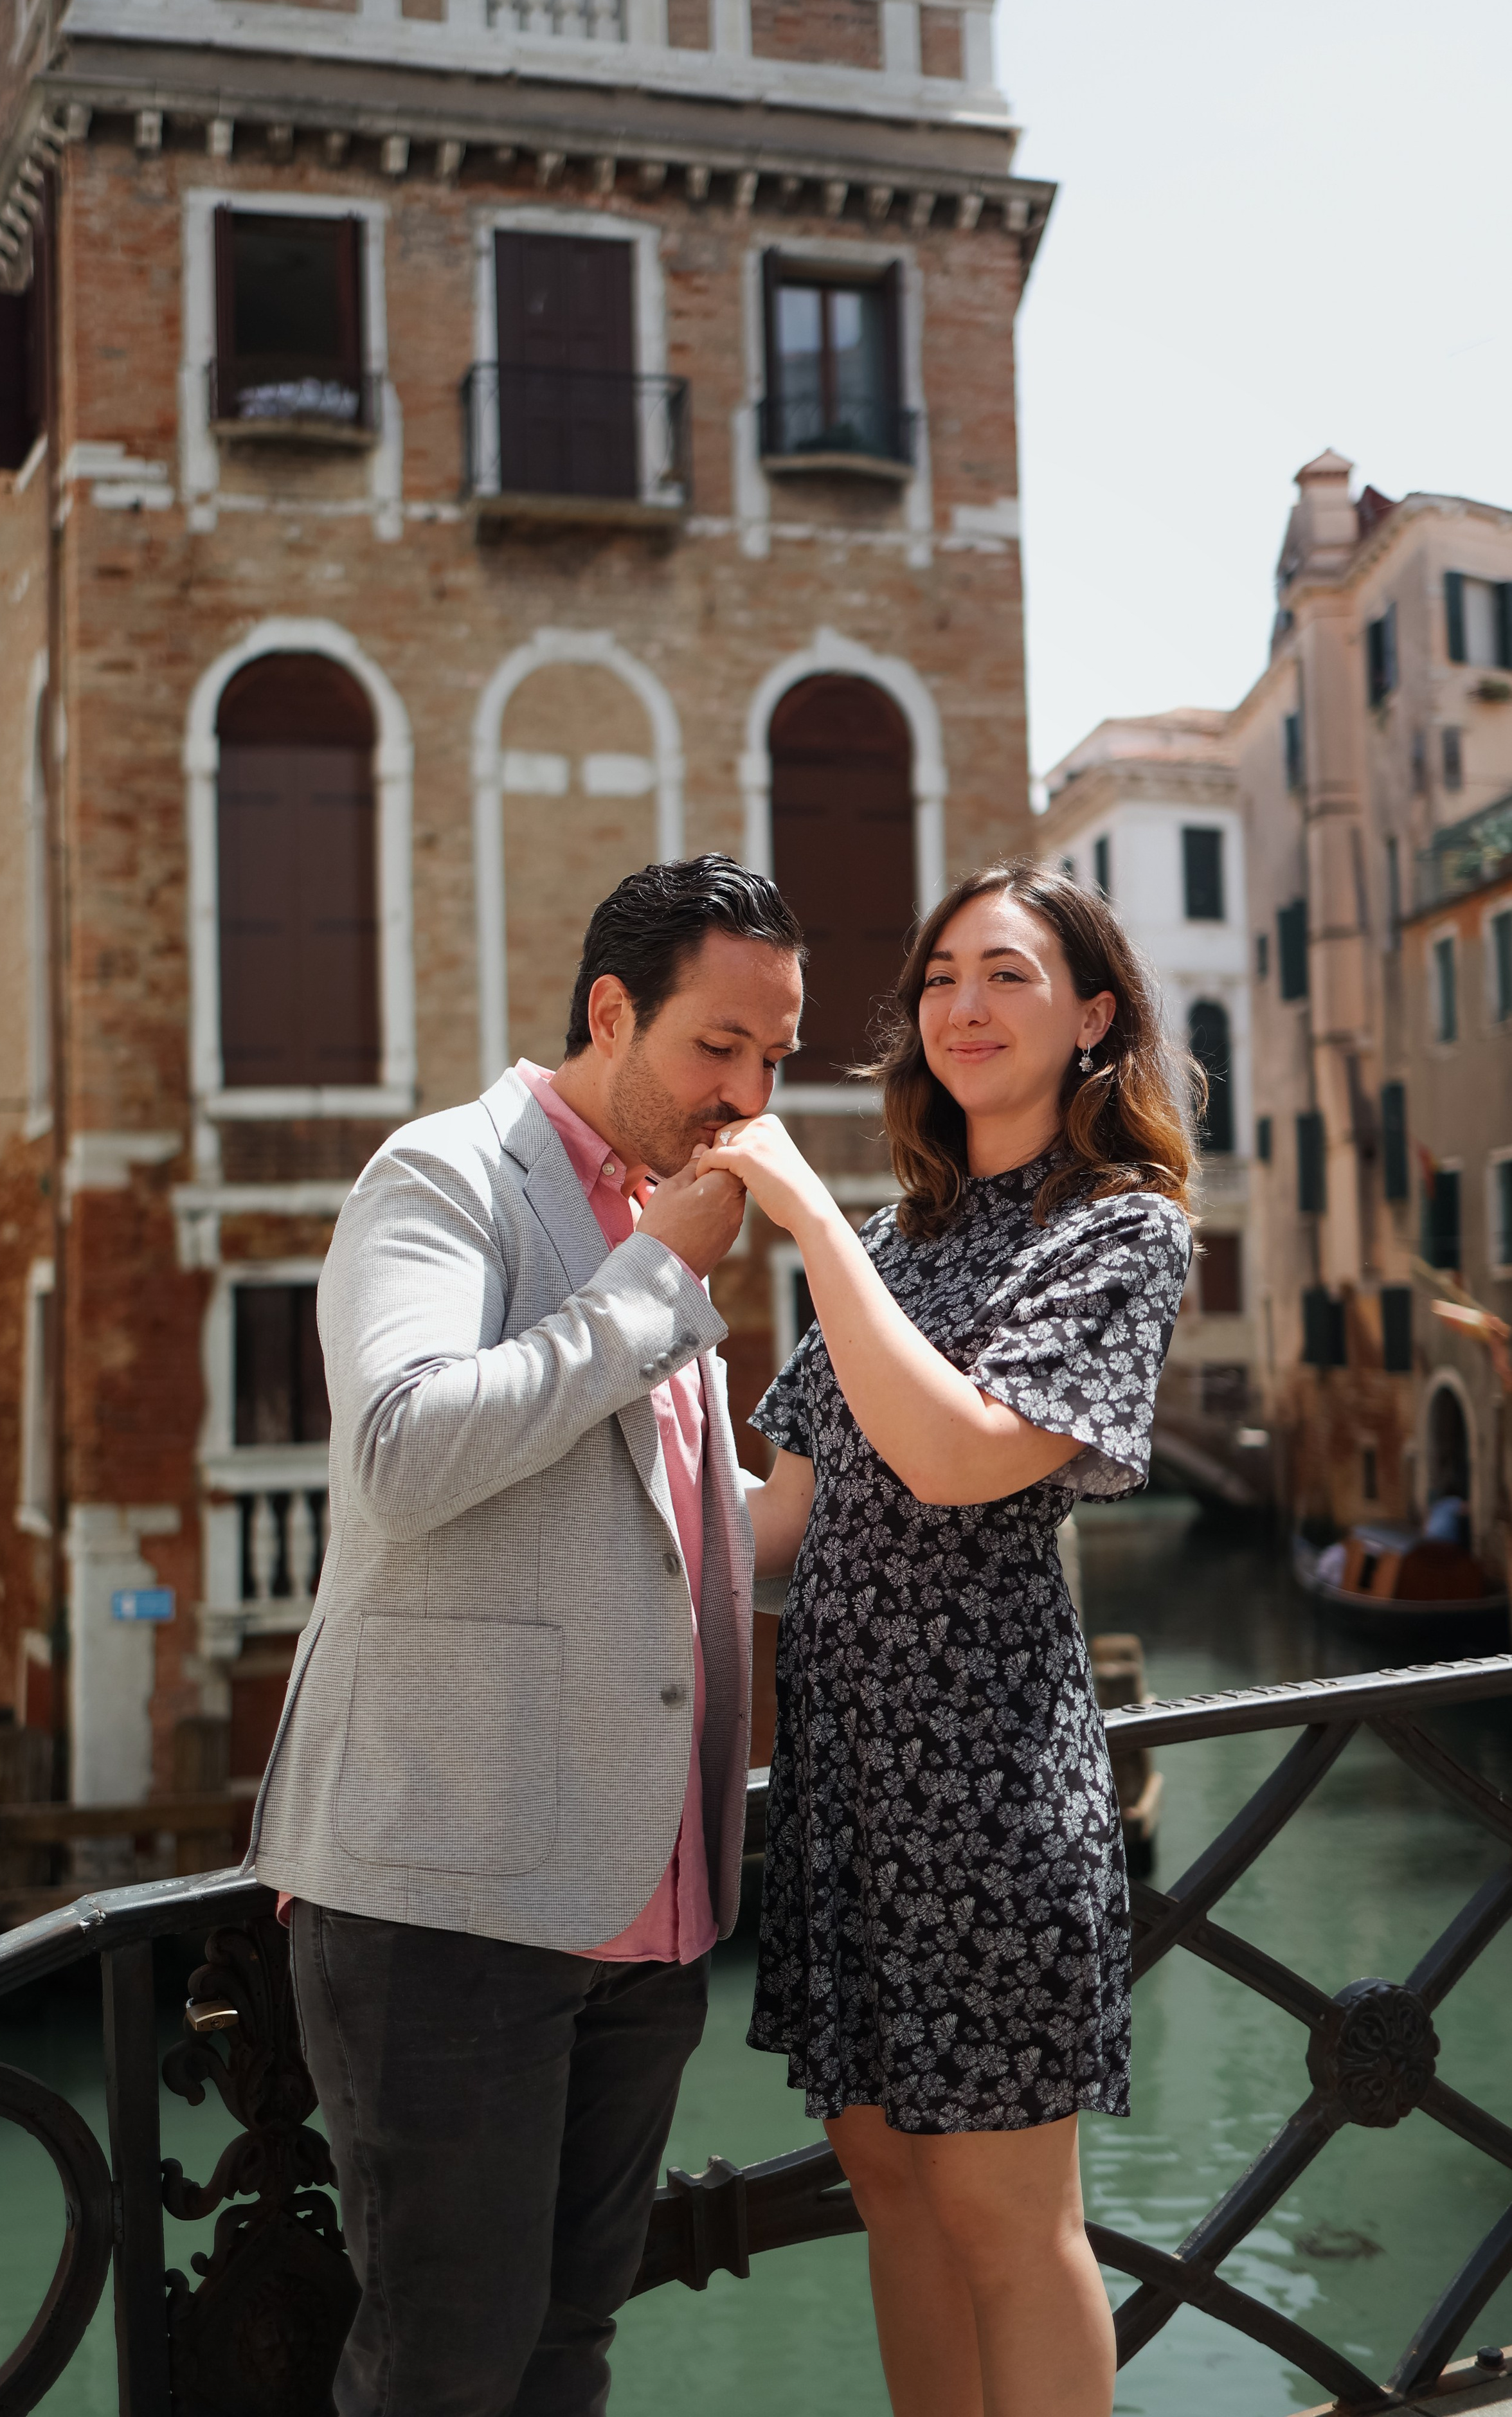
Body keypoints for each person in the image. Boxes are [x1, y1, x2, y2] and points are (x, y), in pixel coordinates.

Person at [248, 854, 806, 2417]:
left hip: (649, 1908)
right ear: (609, 1012)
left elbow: (698, 1524)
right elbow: (402, 1450)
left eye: (773, 1058)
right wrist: (656, 1279)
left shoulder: (656, 1219)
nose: (747, 1095)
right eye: (716, 1047)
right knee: (443, 2373)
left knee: (567, 2351)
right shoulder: (445, 1175)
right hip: (450, 1909)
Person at [699, 861, 1195, 2417]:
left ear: (1092, 1016)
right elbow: (778, 1532)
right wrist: (604, 1402)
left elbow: (958, 1459)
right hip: (846, 1791)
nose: (961, 1007)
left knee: (1004, 2225)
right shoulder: (890, 1240)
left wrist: (802, 1223)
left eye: (1004, 974)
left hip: (986, 1792)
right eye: (937, 980)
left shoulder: (1118, 1233)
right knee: (894, 2198)